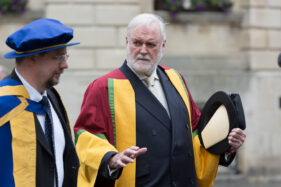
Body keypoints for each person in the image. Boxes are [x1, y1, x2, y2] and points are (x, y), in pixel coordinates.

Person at [74, 13, 246, 187]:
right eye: (137, 43)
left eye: (150, 44)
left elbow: (197, 135)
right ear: (126, 42)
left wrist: (226, 145)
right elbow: (86, 135)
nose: (143, 50)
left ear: (162, 46)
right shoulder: (104, 87)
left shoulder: (176, 80)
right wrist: (110, 158)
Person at [0, 18, 79, 187]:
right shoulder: (3, 104)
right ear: (33, 58)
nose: (65, 64)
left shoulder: (51, 98)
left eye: (65, 56)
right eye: (58, 57)